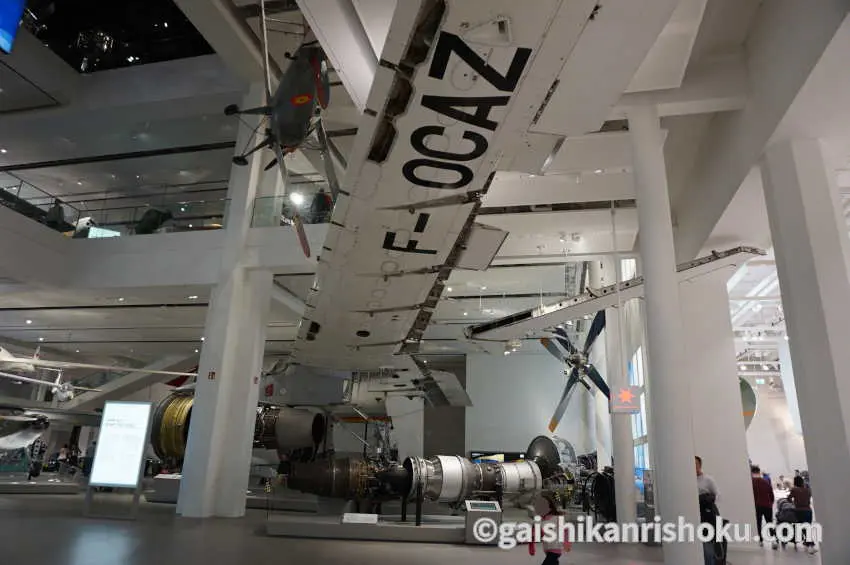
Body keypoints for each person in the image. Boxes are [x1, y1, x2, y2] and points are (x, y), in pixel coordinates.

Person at [527, 493, 572, 564]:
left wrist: (567, 543)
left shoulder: (557, 518)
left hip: (556, 548)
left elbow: (566, 530)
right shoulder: (538, 521)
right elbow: (532, 535)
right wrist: (531, 547)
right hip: (547, 549)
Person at [696, 456, 721, 565]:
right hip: (694, 516)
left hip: (706, 515)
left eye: (695, 464)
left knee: (707, 547)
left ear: (700, 465)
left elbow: (718, 495)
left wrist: (708, 499)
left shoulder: (708, 479)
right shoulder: (688, 480)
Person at [788, 476, 817, 554]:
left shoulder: (794, 490)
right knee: (808, 527)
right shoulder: (807, 490)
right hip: (808, 511)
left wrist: (793, 503)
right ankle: (808, 543)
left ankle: (811, 544)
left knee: (803, 528)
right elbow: (809, 498)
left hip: (799, 511)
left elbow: (789, 498)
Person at [751, 465, 776, 548]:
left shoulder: (751, 483)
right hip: (767, 505)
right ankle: (773, 541)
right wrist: (771, 503)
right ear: (759, 472)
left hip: (757, 506)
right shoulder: (765, 482)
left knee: (758, 523)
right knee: (769, 522)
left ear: (752, 472)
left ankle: (760, 541)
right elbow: (771, 494)